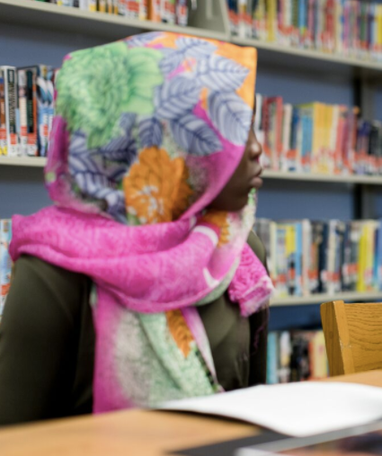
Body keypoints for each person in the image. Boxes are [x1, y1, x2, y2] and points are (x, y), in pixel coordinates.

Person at [0, 32, 274, 425]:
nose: (255, 149)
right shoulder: (55, 270)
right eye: (234, 128)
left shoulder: (239, 248)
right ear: (162, 138)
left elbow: (254, 411)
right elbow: (11, 446)